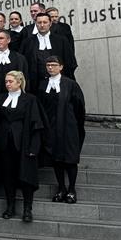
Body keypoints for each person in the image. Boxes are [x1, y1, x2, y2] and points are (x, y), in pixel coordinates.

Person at [0, 71, 44, 222]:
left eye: (10, 81)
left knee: (26, 176)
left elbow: (36, 124)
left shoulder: (30, 99)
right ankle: (10, 206)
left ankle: (27, 209)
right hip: (4, 143)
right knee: (8, 176)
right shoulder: (0, 98)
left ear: (19, 82)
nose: (7, 84)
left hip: (24, 143)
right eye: (6, 81)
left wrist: (34, 147)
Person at [37, 56, 85, 204]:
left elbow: (79, 107)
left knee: (70, 159)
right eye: (48, 65)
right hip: (51, 127)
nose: (50, 67)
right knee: (56, 159)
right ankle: (61, 188)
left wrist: (73, 124)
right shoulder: (43, 84)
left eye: (54, 65)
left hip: (68, 127)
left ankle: (71, 189)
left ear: (61, 67)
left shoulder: (70, 84)